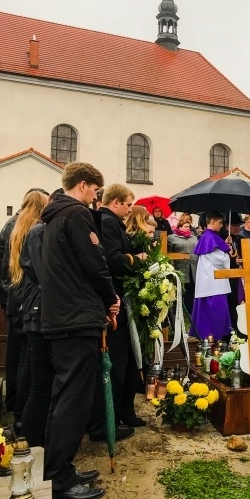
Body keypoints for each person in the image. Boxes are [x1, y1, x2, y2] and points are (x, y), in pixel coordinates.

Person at [40, 162, 117, 499]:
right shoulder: (76, 214)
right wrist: (110, 297)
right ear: (84, 185)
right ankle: (58, 479)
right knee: (74, 399)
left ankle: (58, 468)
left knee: (63, 395)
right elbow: (95, 262)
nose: (96, 198)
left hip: (60, 316)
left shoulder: (53, 216)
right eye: (96, 191)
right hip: (76, 317)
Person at [98, 184, 147, 430]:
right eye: (128, 204)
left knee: (128, 361)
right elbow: (112, 260)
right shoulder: (107, 222)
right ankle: (114, 415)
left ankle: (125, 411)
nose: (130, 210)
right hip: (115, 300)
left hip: (122, 298)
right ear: (115, 202)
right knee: (118, 361)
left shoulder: (112, 222)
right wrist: (136, 260)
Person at [7, 190, 49, 439]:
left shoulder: (15, 226)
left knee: (22, 360)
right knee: (30, 365)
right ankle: (23, 418)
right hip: (29, 299)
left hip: (17, 296)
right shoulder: (34, 229)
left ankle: (18, 412)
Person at [191, 210, 232, 341]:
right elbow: (221, 261)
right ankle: (213, 341)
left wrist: (225, 246)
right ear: (212, 222)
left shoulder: (209, 237)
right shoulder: (211, 238)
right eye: (220, 223)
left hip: (209, 283)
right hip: (214, 284)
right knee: (214, 315)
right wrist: (227, 252)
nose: (221, 226)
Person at [168, 214, 199, 314]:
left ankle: (190, 313)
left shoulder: (194, 238)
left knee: (190, 291)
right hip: (180, 268)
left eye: (189, 227)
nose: (188, 229)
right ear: (179, 226)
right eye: (185, 226)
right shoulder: (172, 238)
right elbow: (168, 253)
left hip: (193, 268)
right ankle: (177, 313)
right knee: (179, 291)